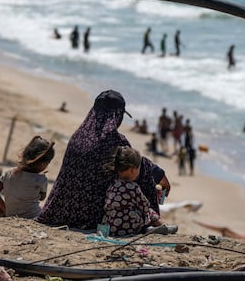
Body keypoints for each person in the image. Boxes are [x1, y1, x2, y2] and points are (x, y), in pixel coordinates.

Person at [36, 90, 170, 230]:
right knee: (137, 167)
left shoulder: (77, 136)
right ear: (117, 115)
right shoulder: (115, 141)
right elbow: (137, 164)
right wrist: (159, 175)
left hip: (60, 211)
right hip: (93, 217)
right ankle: (152, 221)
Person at [101, 146, 175, 236]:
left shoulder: (113, 185)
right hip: (130, 227)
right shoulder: (134, 187)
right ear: (133, 170)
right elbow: (145, 206)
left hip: (112, 226)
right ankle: (161, 226)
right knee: (150, 211)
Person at [0, 136, 55, 218]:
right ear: (42, 163)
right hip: (33, 216)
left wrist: (3, 206)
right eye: (47, 163)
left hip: (10, 214)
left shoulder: (8, 173)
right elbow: (42, 198)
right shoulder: (41, 179)